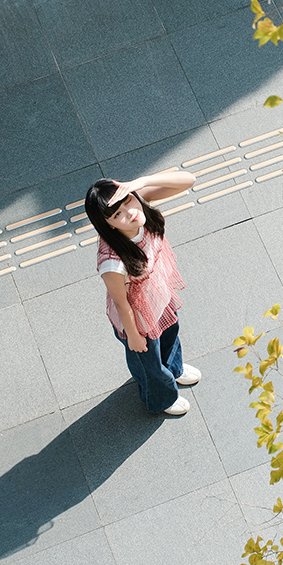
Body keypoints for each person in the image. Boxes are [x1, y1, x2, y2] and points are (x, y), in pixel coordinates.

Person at [85, 172, 199, 415]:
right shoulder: (112, 262)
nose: (130, 212)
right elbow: (121, 303)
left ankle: (174, 369)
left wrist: (141, 183)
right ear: (108, 224)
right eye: (117, 214)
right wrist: (134, 336)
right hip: (138, 319)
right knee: (149, 365)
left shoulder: (138, 205)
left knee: (171, 335)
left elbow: (189, 180)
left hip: (159, 295)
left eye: (128, 201)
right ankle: (161, 399)